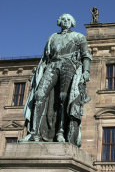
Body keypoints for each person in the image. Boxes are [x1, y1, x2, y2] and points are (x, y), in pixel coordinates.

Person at [21, 14, 92, 147]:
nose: (65, 22)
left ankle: (61, 132)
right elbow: (45, 57)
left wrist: (86, 71)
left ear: (72, 23)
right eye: (63, 19)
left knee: (63, 98)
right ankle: (33, 133)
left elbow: (86, 55)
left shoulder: (78, 37)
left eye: (68, 20)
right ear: (59, 22)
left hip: (69, 65)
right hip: (53, 65)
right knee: (39, 95)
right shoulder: (52, 37)